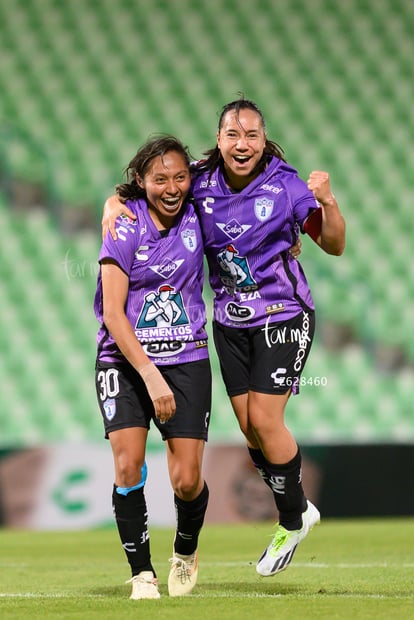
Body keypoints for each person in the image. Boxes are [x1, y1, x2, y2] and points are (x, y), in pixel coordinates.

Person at [102, 96, 345, 578]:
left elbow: (334, 244)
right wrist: (116, 200)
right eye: (233, 135)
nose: (242, 144)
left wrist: (328, 201)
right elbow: (153, 184)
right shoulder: (198, 179)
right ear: (219, 140)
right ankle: (298, 507)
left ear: (263, 139)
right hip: (231, 323)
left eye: (251, 135)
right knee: (248, 426)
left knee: (265, 418)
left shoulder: (286, 185)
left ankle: (293, 518)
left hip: (284, 314)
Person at [94, 135, 211, 600]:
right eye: (159, 178)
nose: (172, 186)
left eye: (180, 176)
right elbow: (113, 313)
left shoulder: (199, 208)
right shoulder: (123, 225)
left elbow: (236, 171)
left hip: (187, 357)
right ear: (141, 182)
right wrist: (149, 373)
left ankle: (184, 550)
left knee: (186, 480)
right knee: (128, 465)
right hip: (124, 360)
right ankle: (142, 574)